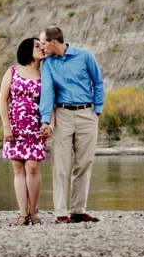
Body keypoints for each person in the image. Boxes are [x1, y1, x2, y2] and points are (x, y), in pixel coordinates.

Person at [38, 25, 105, 224]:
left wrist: (97, 110)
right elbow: (48, 92)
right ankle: (60, 213)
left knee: (84, 163)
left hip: (87, 114)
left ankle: (78, 211)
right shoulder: (48, 64)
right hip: (63, 115)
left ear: (53, 42)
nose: (42, 48)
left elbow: (98, 82)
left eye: (43, 44)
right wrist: (45, 120)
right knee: (60, 165)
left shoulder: (85, 56)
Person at [0, 37, 47, 226]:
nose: (42, 48)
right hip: (14, 128)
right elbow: (3, 99)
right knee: (18, 169)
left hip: (36, 128)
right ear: (27, 50)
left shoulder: (46, 74)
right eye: (37, 46)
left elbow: (50, 102)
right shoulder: (12, 71)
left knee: (33, 168)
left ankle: (34, 212)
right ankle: (23, 213)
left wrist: (48, 124)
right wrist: (6, 126)